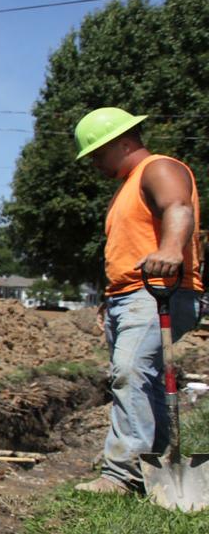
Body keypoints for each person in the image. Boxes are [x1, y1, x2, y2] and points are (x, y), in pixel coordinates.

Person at [73, 107, 203, 494]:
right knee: (143, 382)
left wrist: (170, 248)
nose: (95, 163)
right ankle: (156, 466)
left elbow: (178, 207)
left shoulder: (159, 169)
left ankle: (122, 476)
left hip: (159, 291)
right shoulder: (127, 187)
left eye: (97, 153)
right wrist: (111, 295)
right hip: (130, 295)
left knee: (129, 373)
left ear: (124, 142)